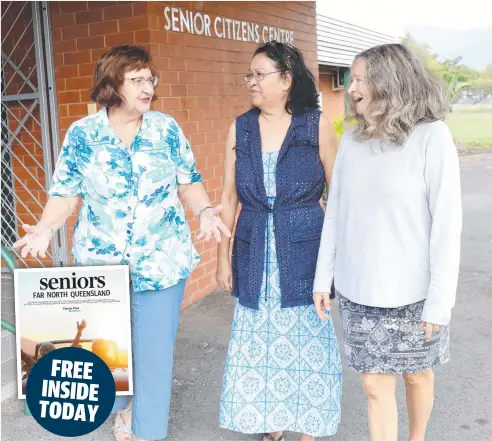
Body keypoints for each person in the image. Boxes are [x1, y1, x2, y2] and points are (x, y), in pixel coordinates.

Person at [13, 44, 230, 441]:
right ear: (113, 84)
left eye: (150, 79)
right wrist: (45, 228)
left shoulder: (166, 129)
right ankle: (121, 406)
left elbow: (189, 181)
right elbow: (66, 193)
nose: (147, 87)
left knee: (153, 357)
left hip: (161, 260)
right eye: (137, 80)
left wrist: (203, 212)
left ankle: (149, 432)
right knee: (106, 351)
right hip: (101, 267)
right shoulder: (84, 134)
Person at [313, 43, 462, 441]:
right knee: (373, 386)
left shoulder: (432, 137)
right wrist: (322, 279)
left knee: (416, 376)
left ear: (390, 81)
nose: (351, 87)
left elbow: (447, 226)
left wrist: (439, 301)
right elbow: (336, 213)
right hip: (359, 290)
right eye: (351, 78)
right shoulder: (353, 142)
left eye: (360, 78)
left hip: (414, 293)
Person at [217, 41, 342, 441]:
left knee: (307, 339)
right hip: (254, 248)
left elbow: (338, 194)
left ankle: (307, 425)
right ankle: (270, 423)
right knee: (258, 342)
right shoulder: (241, 127)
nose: (251, 82)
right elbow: (227, 198)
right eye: (249, 75)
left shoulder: (315, 123)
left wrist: (340, 257)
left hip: (304, 248)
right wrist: (222, 257)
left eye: (259, 74)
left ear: (286, 80)